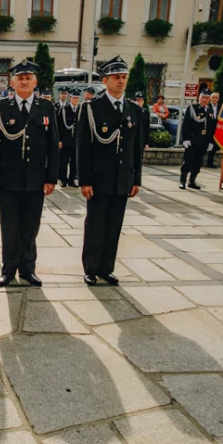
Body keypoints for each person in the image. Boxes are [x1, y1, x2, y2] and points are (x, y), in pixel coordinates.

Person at [0, 60, 58, 287]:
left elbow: (53, 146)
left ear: (35, 82)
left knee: (30, 226)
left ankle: (28, 269)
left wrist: (51, 178)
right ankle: (8, 270)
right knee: (9, 226)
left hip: (36, 179)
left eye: (28, 78)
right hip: (9, 179)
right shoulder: (1, 108)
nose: (24, 82)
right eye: (20, 78)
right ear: (13, 82)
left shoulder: (46, 107)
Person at [77, 55, 143, 287]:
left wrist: (136, 179)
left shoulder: (133, 110)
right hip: (99, 178)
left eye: (124, 77)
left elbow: (136, 149)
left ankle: (106, 268)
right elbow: (83, 148)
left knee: (114, 227)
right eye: (116, 77)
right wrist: (84, 180)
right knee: (95, 226)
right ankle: (91, 268)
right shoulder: (92, 109)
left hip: (122, 179)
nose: (121, 81)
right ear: (105, 81)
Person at [179, 90, 211, 189]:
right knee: (188, 161)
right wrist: (185, 139)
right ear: (199, 98)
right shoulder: (192, 108)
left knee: (198, 162)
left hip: (203, 141)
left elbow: (212, 127)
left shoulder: (210, 110)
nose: (205, 100)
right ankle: (182, 181)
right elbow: (186, 124)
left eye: (207, 98)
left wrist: (211, 141)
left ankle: (192, 181)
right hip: (192, 140)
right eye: (203, 97)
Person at [55, 86, 77, 187]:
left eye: (77, 98)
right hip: (65, 140)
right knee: (64, 161)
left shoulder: (79, 109)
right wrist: (59, 140)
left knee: (74, 162)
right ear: (70, 98)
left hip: (75, 140)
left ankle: (72, 179)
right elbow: (60, 126)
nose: (75, 100)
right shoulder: (65, 109)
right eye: (74, 98)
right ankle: (63, 179)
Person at [205, 91, 220, 167]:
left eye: (216, 97)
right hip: (208, 129)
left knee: (213, 148)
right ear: (210, 98)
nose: (215, 99)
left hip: (216, 130)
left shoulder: (220, 107)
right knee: (204, 146)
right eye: (213, 97)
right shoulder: (207, 106)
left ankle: (210, 163)